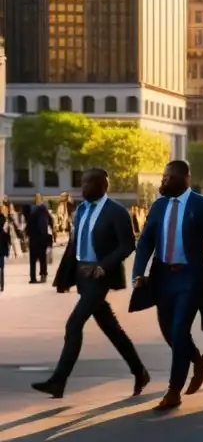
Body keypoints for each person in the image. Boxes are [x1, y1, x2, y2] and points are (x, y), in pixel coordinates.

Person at [32, 169, 149, 398]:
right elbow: (75, 245)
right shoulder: (82, 210)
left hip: (99, 277)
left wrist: (102, 266)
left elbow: (127, 245)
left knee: (73, 324)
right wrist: (65, 277)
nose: (82, 187)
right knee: (111, 328)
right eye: (82, 183)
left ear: (101, 185)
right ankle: (140, 371)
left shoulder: (116, 212)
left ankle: (58, 381)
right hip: (81, 275)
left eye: (86, 183)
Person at [132, 160, 203, 410]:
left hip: (191, 277)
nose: (163, 181)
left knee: (179, 329)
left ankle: (174, 390)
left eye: (167, 177)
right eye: (162, 177)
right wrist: (138, 272)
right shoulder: (159, 205)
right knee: (168, 330)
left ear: (185, 178)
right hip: (163, 277)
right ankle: (198, 359)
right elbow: (146, 241)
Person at [27, 194, 52, 284]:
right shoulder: (42, 210)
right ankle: (43, 275)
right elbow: (43, 224)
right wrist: (45, 237)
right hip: (40, 238)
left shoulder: (33, 210)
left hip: (33, 238)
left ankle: (33, 277)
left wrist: (28, 235)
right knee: (42, 258)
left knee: (33, 259)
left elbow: (28, 226)